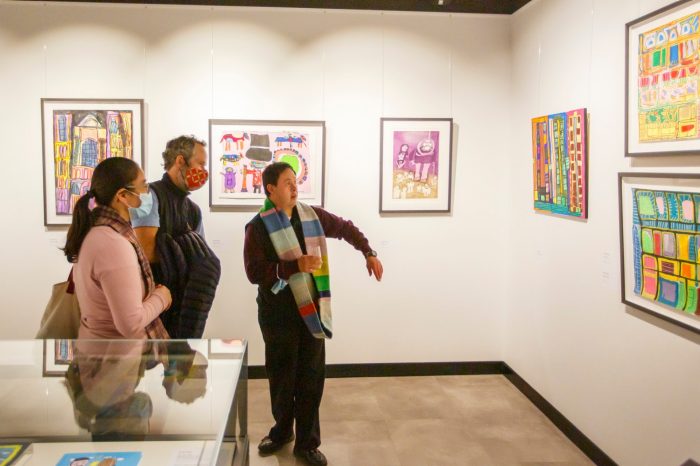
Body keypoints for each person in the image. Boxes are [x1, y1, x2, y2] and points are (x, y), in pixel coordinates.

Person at [243, 162, 384, 466]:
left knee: (310, 378)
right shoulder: (258, 226)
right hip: (277, 314)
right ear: (270, 190)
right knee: (281, 377)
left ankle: (307, 443)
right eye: (287, 183)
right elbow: (254, 272)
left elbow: (345, 227)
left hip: (311, 312)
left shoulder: (312, 216)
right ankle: (282, 432)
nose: (294, 188)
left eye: (295, 181)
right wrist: (294, 266)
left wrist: (368, 252)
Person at [63, 157, 171, 339]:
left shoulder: (100, 233)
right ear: (122, 195)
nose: (148, 192)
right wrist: (162, 297)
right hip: (114, 358)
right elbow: (131, 323)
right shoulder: (112, 243)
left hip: (104, 354)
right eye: (143, 186)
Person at [131, 135, 221, 338]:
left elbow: (201, 261)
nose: (203, 172)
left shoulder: (193, 210)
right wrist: (184, 251)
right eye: (200, 164)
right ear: (180, 161)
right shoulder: (149, 196)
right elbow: (147, 254)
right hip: (154, 303)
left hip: (183, 303)